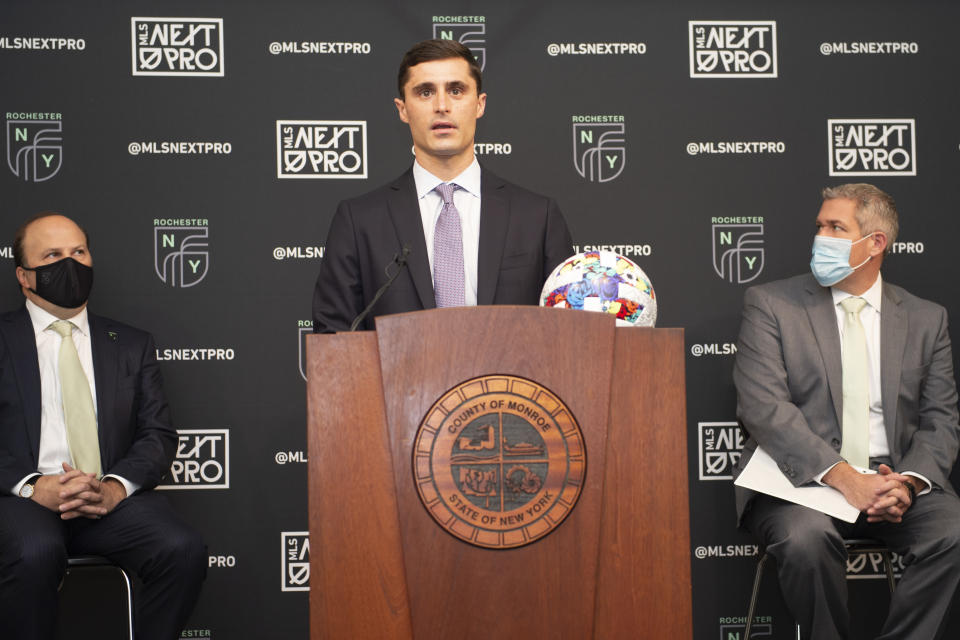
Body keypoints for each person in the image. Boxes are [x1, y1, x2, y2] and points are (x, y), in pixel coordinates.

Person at [733, 183, 960, 639]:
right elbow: (764, 409)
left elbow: (941, 420)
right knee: (805, 541)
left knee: (953, 533)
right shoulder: (773, 305)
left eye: (837, 227)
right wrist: (844, 478)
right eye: (820, 226)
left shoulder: (925, 318)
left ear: (875, 243)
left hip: (892, 482)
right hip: (799, 484)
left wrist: (907, 484)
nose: (821, 237)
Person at [0, 212, 206, 639]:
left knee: (182, 550)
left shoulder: (131, 343)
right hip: (24, 501)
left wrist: (112, 489)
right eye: (53, 255)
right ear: (24, 275)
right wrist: (32, 486)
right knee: (34, 552)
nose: (70, 264)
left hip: (107, 500)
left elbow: (157, 435)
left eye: (79, 251)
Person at [312, 39, 573, 332]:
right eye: (425, 92)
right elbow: (334, 339)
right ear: (402, 109)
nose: (442, 106)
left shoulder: (538, 217)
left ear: (480, 104)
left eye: (456, 90)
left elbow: (566, 334)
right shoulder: (359, 220)